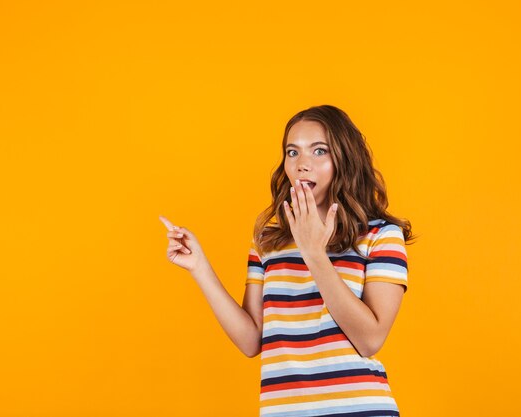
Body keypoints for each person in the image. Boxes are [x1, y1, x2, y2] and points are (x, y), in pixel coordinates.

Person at [159, 104, 416, 417]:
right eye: (292, 152)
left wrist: (314, 253)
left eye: (319, 151)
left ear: (344, 160)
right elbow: (251, 341)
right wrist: (200, 267)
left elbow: (370, 339)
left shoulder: (380, 235)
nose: (302, 165)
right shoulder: (268, 242)